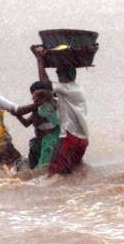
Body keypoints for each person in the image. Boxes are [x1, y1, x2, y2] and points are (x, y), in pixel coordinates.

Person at [33, 48, 89, 177]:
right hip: (82, 140)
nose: (57, 79)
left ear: (65, 77)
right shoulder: (77, 89)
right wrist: (49, 97)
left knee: (54, 174)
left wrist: (39, 59)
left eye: (58, 76)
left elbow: (45, 82)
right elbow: (61, 105)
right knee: (70, 174)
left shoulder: (67, 88)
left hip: (69, 137)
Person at [15, 81, 60, 169]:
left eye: (35, 95)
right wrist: (17, 115)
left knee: (42, 168)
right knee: (37, 167)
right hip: (39, 142)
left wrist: (19, 112)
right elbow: (26, 123)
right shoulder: (39, 107)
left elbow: (35, 123)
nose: (33, 98)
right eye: (32, 95)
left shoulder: (47, 108)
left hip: (48, 144)